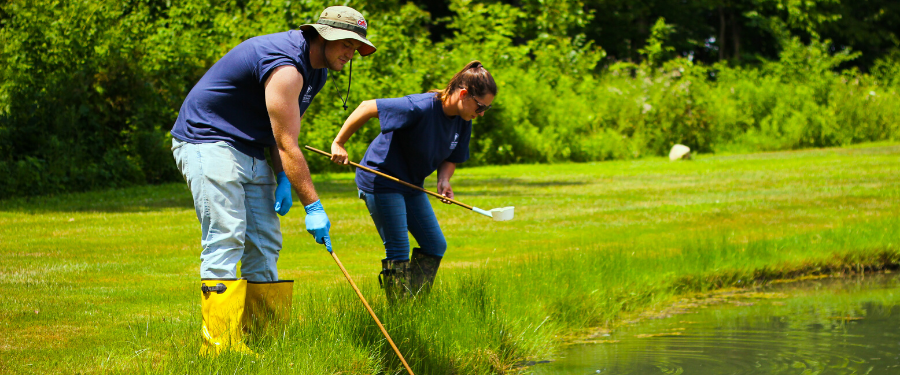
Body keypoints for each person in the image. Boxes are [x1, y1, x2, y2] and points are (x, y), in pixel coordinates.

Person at [169, 6, 376, 355]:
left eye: (356, 48)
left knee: (265, 241)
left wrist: (281, 177)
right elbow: (287, 144)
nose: (350, 53)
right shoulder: (286, 67)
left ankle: (265, 341)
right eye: (346, 44)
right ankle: (220, 347)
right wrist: (314, 205)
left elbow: (277, 132)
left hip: (250, 146)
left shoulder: (316, 72)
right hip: (207, 139)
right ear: (322, 35)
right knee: (226, 234)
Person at [329, 61, 497, 301]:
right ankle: (400, 314)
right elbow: (367, 107)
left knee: (435, 245)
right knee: (398, 250)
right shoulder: (419, 107)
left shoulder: (464, 119)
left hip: (411, 184)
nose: (481, 114)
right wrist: (339, 143)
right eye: (481, 107)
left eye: (486, 109)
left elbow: (453, 155)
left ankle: (415, 307)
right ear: (463, 94)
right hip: (381, 179)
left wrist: (444, 180)